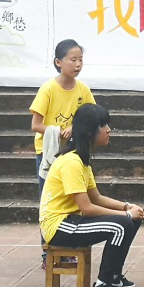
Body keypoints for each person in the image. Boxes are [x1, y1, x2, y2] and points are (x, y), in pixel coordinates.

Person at [39, 104, 144, 287]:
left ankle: (114, 276)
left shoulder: (81, 160)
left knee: (133, 220)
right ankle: (102, 285)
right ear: (89, 131)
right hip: (58, 226)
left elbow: (96, 198)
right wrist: (125, 216)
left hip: (72, 220)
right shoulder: (71, 163)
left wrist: (127, 207)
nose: (109, 130)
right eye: (103, 125)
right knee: (121, 225)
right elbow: (87, 208)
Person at [30, 39, 96, 266]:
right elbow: (36, 125)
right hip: (49, 154)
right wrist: (58, 131)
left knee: (73, 200)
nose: (77, 64)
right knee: (49, 201)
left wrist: (76, 128)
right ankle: (47, 254)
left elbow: (91, 115)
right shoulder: (48, 89)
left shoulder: (83, 89)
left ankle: (67, 249)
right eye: (73, 59)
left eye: (80, 60)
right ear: (58, 62)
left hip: (72, 154)